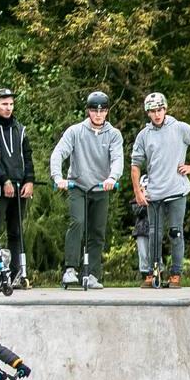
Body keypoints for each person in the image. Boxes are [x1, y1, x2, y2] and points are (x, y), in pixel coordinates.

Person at [130, 92, 190, 289]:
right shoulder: (144, 135)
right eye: (153, 111)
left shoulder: (180, 128)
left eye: (159, 110)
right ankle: (153, 272)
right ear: (148, 113)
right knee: (154, 234)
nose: (157, 114)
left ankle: (176, 273)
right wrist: (138, 192)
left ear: (165, 109)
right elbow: (135, 165)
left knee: (175, 232)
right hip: (154, 192)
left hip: (176, 190)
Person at [51, 91, 124, 290]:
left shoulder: (114, 134)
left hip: (101, 187)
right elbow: (59, 153)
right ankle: (70, 269)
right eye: (94, 111)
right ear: (88, 112)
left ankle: (92, 274)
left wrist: (112, 177)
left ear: (107, 112)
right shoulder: (75, 131)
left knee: (97, 231)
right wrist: (58, 178)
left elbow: (117, 158)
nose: (98, 115)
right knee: (78, 222)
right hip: (78, 186)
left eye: (102, 111)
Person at [0, 88, 36, 288]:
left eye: (11, 104)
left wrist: (29, 180)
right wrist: (4, 179)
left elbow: (28, 156)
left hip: (20, 187)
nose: (8, 108)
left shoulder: (19, 128)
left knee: (16, 231)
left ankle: (17, 273)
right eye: (4, 104)